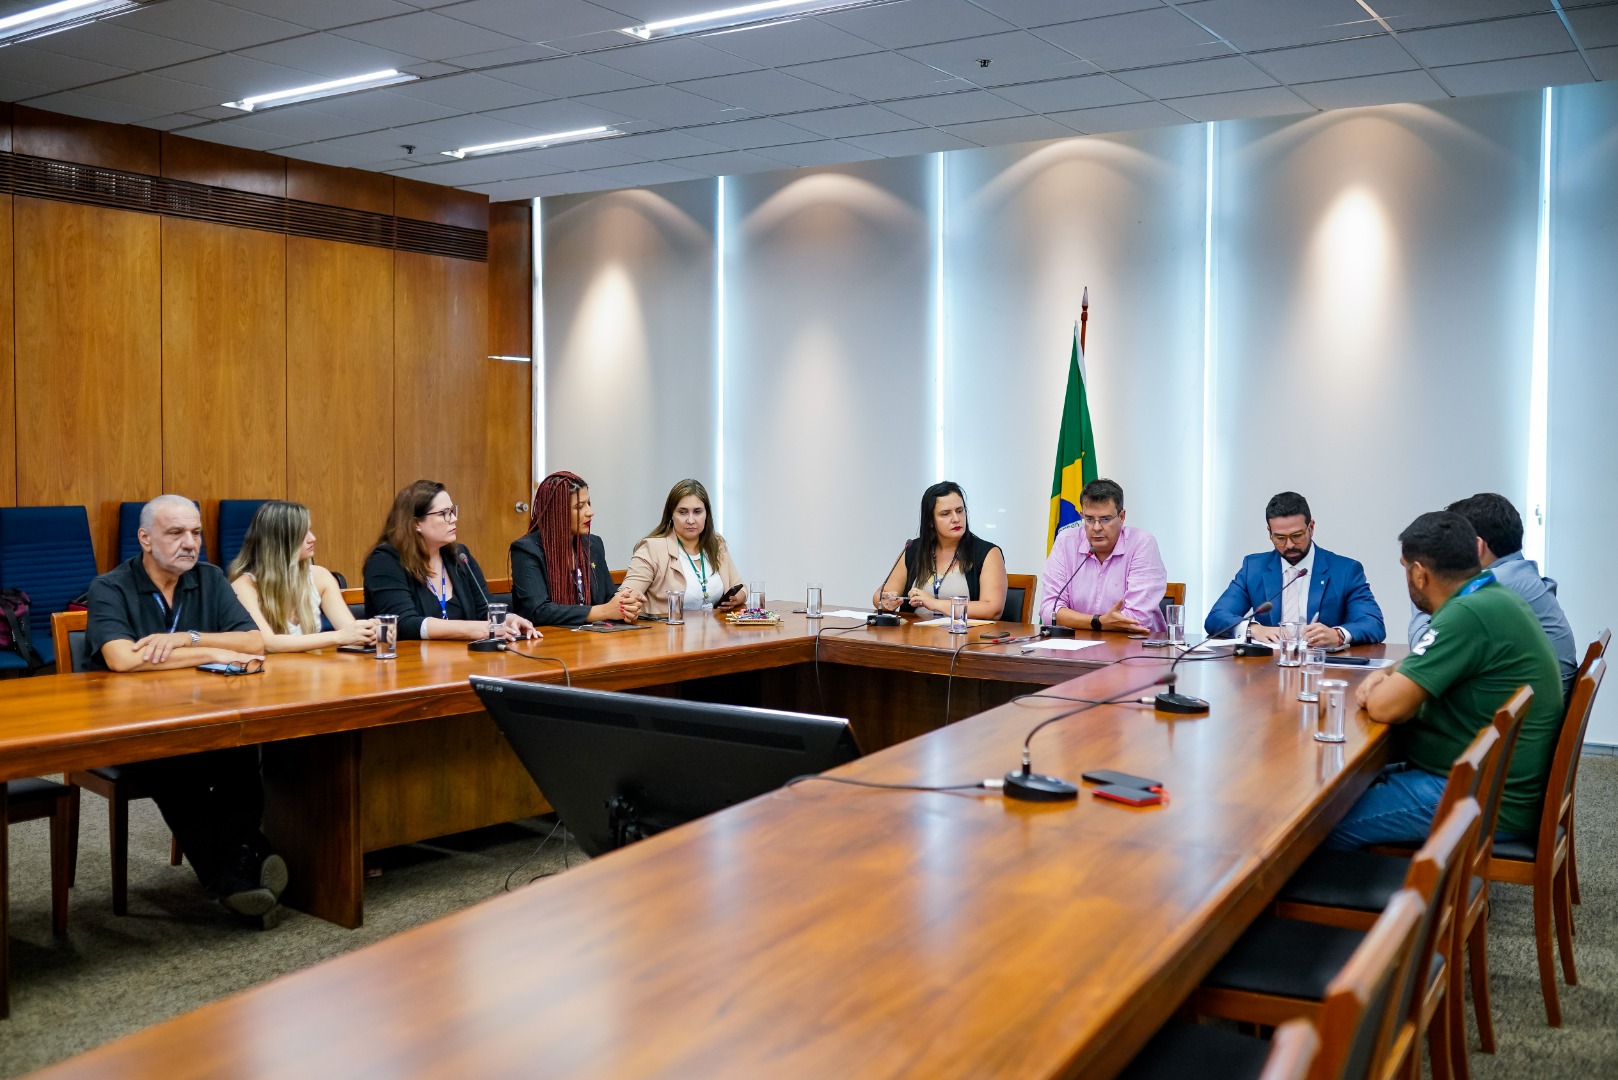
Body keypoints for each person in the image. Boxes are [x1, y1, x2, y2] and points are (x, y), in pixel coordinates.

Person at [82, 494, 284, 917]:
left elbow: (252, 642)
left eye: (195, 533)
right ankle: (241, 866)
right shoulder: (110, 587)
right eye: (175, 533)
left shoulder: (210, 577)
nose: (189, 543)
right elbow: (123, 659)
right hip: (131, 727)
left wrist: (185, 639)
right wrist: (212, 651)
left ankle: (238, 870)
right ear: (145, 538)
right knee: (175, 767)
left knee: (241, 750)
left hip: (200, 715)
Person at [1322, 511, 1563, 851]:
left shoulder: (1467, 614)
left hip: (1481, 797)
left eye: (1405, 568)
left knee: (1317, 829)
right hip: (1491, 780)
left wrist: (1383, 685)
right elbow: (1419, 662)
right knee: (1342, 793)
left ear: (1419, 574)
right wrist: (1387, 674)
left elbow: (1386, 707)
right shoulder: (1491, 596)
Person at [1408, 492, 1577, 698]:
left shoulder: (1493, 586)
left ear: (1476, 546)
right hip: (1532, 701)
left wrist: (1423, 583)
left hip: (1520, 710)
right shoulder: (1519, 574)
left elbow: (1422, 648)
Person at [364, 480, 540, 643]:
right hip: (409, 662)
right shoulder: (385, 561)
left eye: (452, 511)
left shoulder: (459, 556)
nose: (454, 519)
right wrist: (472, 630)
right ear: (416, 523)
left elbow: (484, 608)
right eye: (444, 514)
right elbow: (403, 623)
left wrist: (509, 619)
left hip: (463, 659)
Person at [1205, 491, 1385, 647]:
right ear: (1269, 532)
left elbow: (1373, 623)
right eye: (1280, 538)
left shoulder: (1345, 570)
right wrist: (1253, 629)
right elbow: (1216, 616)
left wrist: (1338, 635)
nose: (1290, 545)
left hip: (1321, 666)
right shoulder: (1253, 568)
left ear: (1311, 527)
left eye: (1297, 535)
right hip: (1267, 667)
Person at [228, 500, 378, 653]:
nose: (312, 538)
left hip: (312, 665)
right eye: (302, 533)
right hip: (270, 667)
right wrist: (337, 637)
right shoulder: (244, 586)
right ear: (280, 540)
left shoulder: (321, 577)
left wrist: (370, 632)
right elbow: (267, 643)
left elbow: (351, 634)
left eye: (310, 530)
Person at [510, 471, 642, 626]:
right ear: (556, 511)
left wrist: (627, 605)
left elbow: (608, 598)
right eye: (579, 506)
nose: (590, 512)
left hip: (592, 636)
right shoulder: (527, 550)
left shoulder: (593, 544)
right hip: (549, 638)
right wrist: (604, 611)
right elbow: (539, 611)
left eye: (589, 503)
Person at [1038, 478, 1166, 633]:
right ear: (1081, 515)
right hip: (1078, 644)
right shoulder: (1066, 542)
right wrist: (1098, 622)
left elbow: (1136, 619)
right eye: (1089, 519)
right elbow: (1049, 611)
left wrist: (1089, 622)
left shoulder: (1141, 544)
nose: (1096, 527)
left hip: (1135, 643)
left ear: (1122, 516)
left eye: (1105, 519)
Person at [874, 481, 1008, 620]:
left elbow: (993, 609)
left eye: (960, 511)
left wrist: (935, 604)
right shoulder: (914, 549)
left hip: (964, 632)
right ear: (930, 521)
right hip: (916, 632)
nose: (956, 519)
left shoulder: (988, 553)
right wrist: (886, 601)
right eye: (945, 514)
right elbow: (879, 596)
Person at [624, 478, 746, 616]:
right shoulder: (652, 548)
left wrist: (735, 599)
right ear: (671, 515)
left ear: (706, 514)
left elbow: (741, 588)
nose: (691, 520)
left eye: (697, 512)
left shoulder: (716, 544)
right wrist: (630, 601)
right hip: (666, 628)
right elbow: (626, 596)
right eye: (682, 512)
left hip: (713, 628)